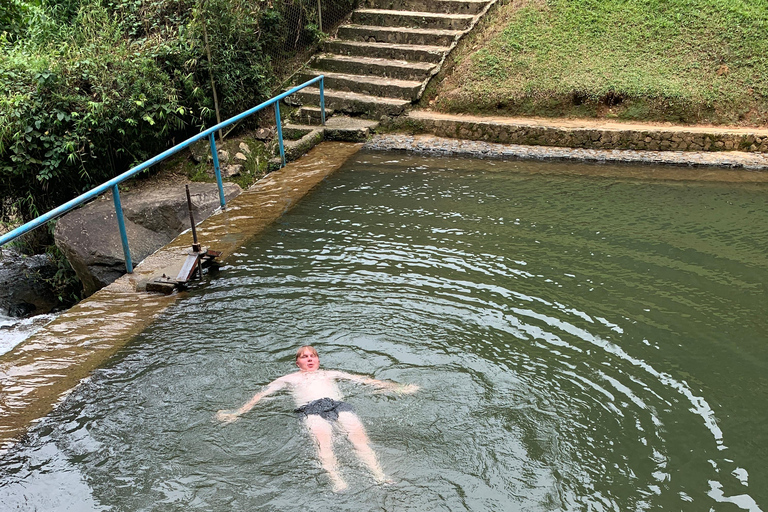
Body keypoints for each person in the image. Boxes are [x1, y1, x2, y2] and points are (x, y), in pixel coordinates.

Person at [216, 345, 419, 492]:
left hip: (338, 405)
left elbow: (365, 381)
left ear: (319, 360)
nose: (310, 359)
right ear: (298, 362)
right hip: (310, 410)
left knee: (360, 441)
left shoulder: (330, 373)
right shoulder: (288, 379)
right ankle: (337, 479)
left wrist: (398, 387)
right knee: (325, 443)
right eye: (304, 357)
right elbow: (261, 395)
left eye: (313, 356)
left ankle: (379, 476)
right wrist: (238, 412)